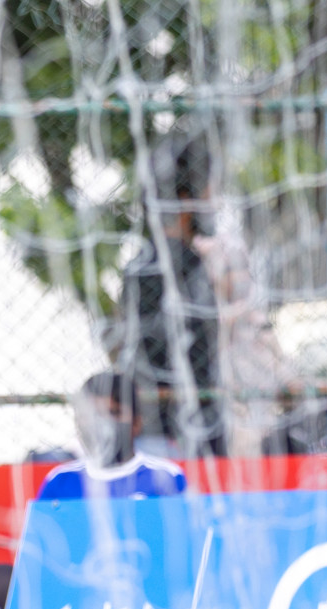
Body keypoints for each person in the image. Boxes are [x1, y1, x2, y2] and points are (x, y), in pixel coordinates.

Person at [0, 371, 187, 609]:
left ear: (136, 423)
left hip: (143, 591)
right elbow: (38, 557)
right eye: (93, 416)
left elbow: (183, 553)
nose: (103, 425)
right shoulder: (61, 481)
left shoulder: (163, 477)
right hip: (75, 592)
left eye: (113, 413)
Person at [113, 132, 227, 458]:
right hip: (174, 430)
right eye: (206, 189)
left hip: (188, 421)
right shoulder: (162, 268)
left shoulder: (161, 263)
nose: (212, 199)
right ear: (184, 198)